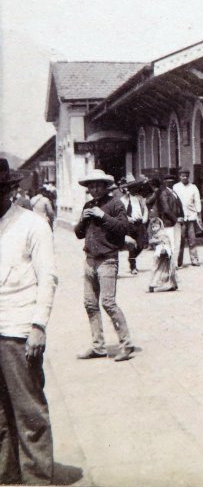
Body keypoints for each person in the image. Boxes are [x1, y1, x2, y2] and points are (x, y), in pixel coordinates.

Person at [0, 158, 58, 484]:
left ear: (8, 191)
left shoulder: (32, 225)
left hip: (18, 332)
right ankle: (7, 475)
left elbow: (47, 277)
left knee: (29, 412)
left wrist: (38, 326)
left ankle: (37, 478)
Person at [74, 168, 135, 362]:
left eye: (98, 185)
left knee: (108, 302)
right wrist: (83, 220)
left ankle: (126, 344)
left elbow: (124, 228)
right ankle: (98, 346)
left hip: (107, 259)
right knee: (90, 304)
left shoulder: (115, 204)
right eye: (91, 186)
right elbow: (78, 234)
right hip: (90, 259)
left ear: (105, 186)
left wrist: (102, 216)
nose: (94, 189)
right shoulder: (88, 205)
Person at [118, 174, 149, 276]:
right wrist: (127, 219)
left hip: (139, 223)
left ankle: (132, 258)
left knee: (141, 244)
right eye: (129, 188)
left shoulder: (139, 198)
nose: (131, 190)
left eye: (133, 187)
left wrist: (144, 218)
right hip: (129, 224)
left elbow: (145, 209)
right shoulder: (123, 200)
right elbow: (121, 213)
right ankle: (133, 266)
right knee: (132, 244)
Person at [173, 168, 202, 267]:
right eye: (183, 176)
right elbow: (174, 202)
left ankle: (194, 259)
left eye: (186, 176)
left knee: (192, 240)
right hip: (181, 218)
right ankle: (179, 261)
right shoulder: (176, 187)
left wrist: (198, 214)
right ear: (180, 177)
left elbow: (197, 201)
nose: (185, 177)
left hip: (191, 217)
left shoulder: (193, 187)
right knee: (180, 240)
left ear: (188, 177)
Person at [146, 218, 178, 293]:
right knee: (157, 267)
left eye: (156, 226)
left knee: (167, 268)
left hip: (164, 253)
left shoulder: (163, 233)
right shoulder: (154, 234)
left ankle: (172, 284)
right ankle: (154, 283)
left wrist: (154, 241)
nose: (154, 229)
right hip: (159, 254)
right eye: (153, 227)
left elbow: (165, 242)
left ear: (160, 226)